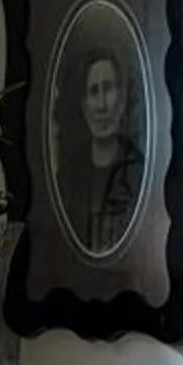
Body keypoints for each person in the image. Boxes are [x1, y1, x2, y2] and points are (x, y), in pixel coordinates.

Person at [56, 44, 143, 258]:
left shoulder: (140, 174)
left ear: (122, 101)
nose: (102, 105)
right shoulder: (67, 178)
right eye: (94, 92)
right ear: (85, 106)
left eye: (109, 88)